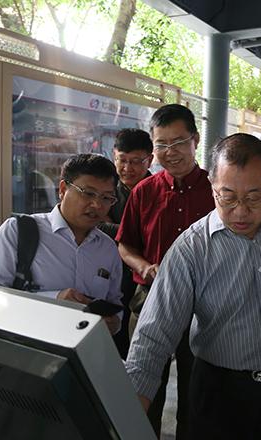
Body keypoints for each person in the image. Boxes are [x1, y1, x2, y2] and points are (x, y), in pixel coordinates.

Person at [125, 133, 261, 440]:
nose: (240, 211)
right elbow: (153, 335)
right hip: (217, 394)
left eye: (254, 197)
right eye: (227, 197)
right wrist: (129, 414)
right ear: (212, 184)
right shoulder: (192, 248)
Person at [116, 104, 214, 439]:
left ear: (195, 140)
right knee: (142, 391)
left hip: (205, 305)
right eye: (161, 145)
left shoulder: (216, 190)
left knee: (195, 393)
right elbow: (125, 245)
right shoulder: (144, 191)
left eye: (178, 142)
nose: (170, 152)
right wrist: (144, 266)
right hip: (149, 300)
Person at [0, 153, 123, 335]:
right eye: (88, 193)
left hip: (85, 347)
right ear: (62, 189)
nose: (97, 205)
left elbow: (114, 301)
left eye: (106, 198)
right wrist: (54, 300)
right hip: (28, 344)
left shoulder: (108, 248)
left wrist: (115, 323)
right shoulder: (18, 231)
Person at [98, 128, 153, 359]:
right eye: (122, 160)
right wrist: (130, 232)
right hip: (112, 274)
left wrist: (113, 226)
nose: (128, 168)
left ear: (150, 159)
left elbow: (152, 236)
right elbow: (94, 224)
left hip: (146, 278)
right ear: (114, 156)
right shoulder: (106, 187)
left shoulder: (158, 190)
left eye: (136, 161)